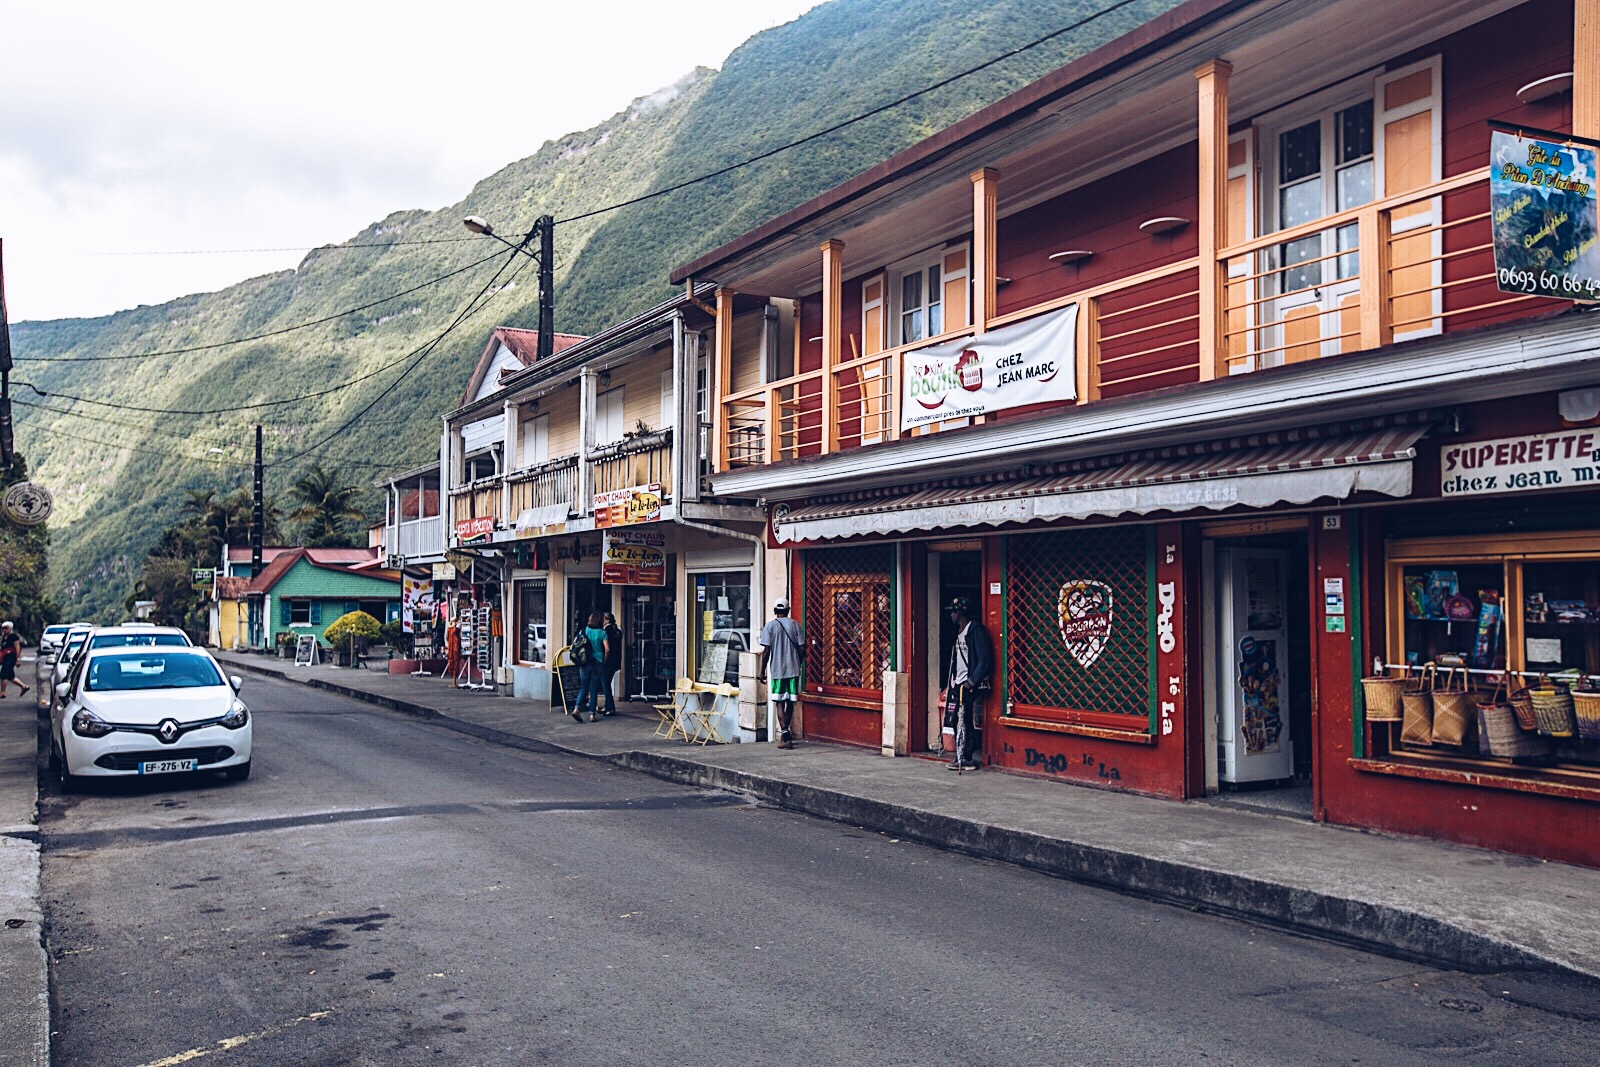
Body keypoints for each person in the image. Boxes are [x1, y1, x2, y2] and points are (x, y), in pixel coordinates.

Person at [945, 597, 992, 771]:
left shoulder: (976, 631)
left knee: (964, 718)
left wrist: (971, 682)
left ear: (961, 613)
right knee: (957, 719)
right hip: (959, 683)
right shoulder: (959, 633)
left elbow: (984, 659)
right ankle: (961, 754)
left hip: (969, 684)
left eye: (953, 612)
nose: (951, 615)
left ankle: (967, 756)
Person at [756, 597, 805, 749]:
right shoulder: (795, 625)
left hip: (777, 670)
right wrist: (798, 662)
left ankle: (784, 734)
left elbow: (766, 651)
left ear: (775, 611)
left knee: (778, 702)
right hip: (793, 669)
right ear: (788, 610)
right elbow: (803, 648)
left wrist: (761, 670)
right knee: (790, 701)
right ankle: (786, 732)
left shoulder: (770, 627)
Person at [571, 611, 610, 723]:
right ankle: (592, 715)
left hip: (584, 662)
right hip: (597, 663)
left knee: (584, 687)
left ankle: (576, 709)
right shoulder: (602, 633)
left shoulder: (584, 631)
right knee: (593, 689)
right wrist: (604, 661)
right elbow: (607, 649)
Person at [600, 611, 624, 716]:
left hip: (608, 662)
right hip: (615, 661)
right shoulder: (617, 630)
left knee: (605, 684)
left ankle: (610, 707)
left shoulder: (605, 631)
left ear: (607, 620)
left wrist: (604, 660)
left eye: (603, 618)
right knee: (606, 683)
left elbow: (607, 649)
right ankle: (606, 705)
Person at [0, 622, 28, 700]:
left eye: (6, 628)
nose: (4, 630)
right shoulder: (5, 637)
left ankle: (2, 692)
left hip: (11, 657)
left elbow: (17, 648)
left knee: (3, 674)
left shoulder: (14, 637)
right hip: (5, 658)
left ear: (10, 628)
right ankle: (24, 686)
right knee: (10, 676)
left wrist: (17, 659)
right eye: (3, 628)